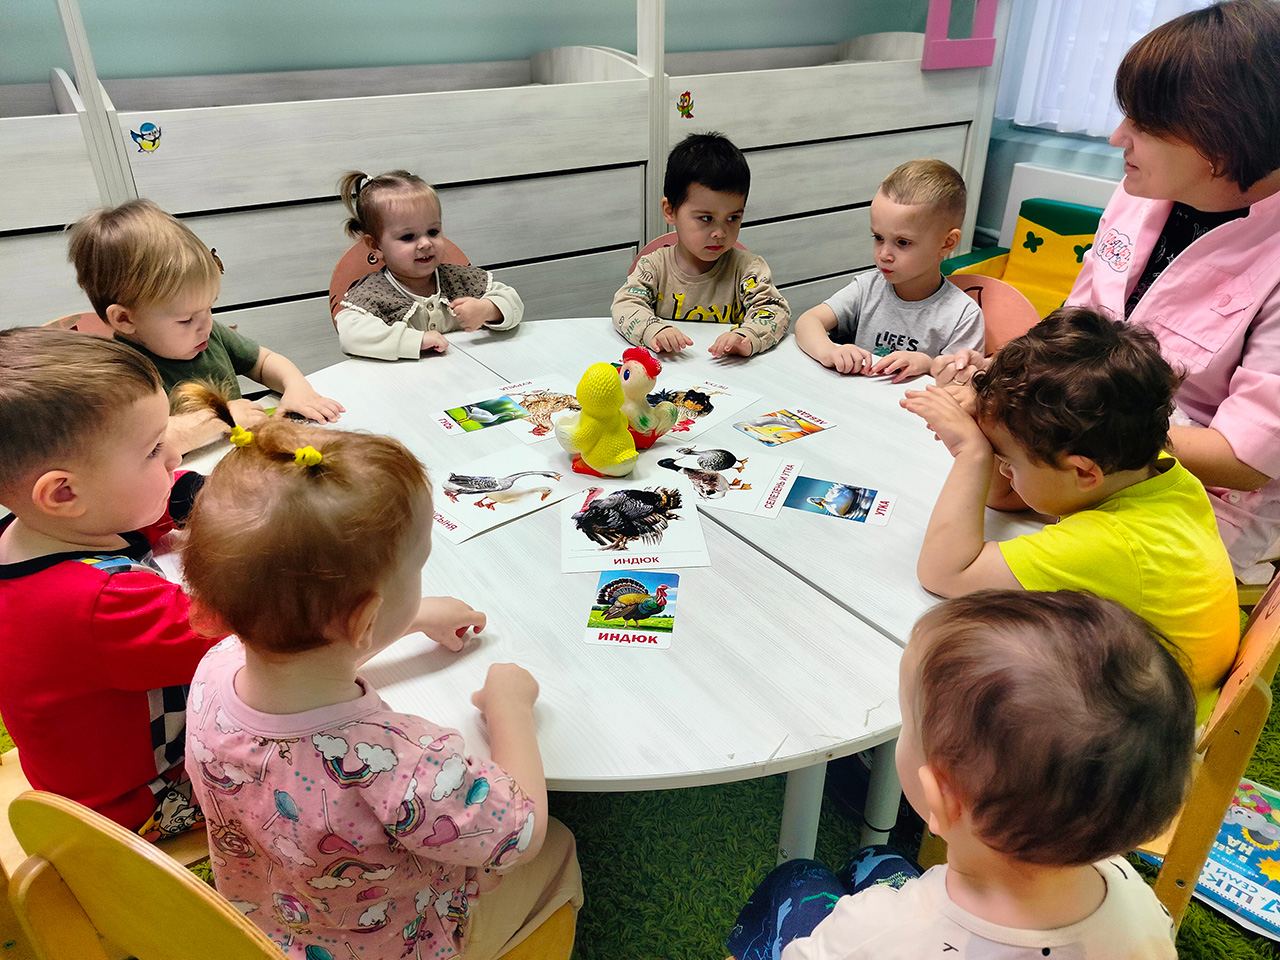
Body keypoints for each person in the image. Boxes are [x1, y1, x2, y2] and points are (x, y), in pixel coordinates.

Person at [181, 416, 581, 960]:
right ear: (364, 620)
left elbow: (302, 652)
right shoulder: (405, 766)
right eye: (418, 568)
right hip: (399, 944)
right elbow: (524, 829)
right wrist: (508, 704)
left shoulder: (213, 670)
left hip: (265, 925)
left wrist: (410, 618)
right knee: (560, 843)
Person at [939, 0, 1280, 582]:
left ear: (1221, 141)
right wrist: (1004, 376)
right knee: (982, 493)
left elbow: (1244, 460)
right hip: (1080, 450)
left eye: (1144, 126)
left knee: (983, 580)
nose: (1117, 136)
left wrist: (1052, 418)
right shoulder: (1138, 193)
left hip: (1203, 496)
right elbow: (1074, 327)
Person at [727, 589, 1194, 959]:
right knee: (876, 860)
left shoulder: (873, 933)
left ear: (941, 798)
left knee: (798, 876)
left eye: (907, 724)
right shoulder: (1139, 903)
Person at [904, 308, 1239, 722]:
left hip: (1137, 740)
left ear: (1083, 472)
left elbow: (945, 573)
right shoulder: (1160, 476)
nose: (1003, 472)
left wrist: (970, 454)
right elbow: (1004, 500)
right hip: (1159, 697)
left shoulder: (1112, 544)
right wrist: (994, 430)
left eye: (1009, 463)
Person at [0, 328, 222, 839]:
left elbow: (141, 512)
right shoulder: (105, 602)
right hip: (134, 804)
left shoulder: (36, 528)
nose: (174, 458)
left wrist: (213, 496)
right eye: (152, 450)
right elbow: (261, 633)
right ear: (63, 493)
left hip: (70, 776)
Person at [68, 199, 343, 453]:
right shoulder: (122, 374)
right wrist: (221, 416)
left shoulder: (206, 334)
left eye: (209, 308)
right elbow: (147, 447)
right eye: (186, 319)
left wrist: (295, 385)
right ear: (125, 320)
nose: (205, 325)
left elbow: (263, 362)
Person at [794, 159, 982, 381]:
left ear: (947, 243)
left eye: (902, 242)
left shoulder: (963, 315)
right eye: (878, 237)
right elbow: (807, 321)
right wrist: (830, 351)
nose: (884, 254)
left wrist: (927, 365)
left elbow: (963, 385)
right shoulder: (866, 288)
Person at [612, 132, 790, 358]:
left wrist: (747, 336)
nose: (720, 233)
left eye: (733, 218)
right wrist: (653, 330)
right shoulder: (653, 268)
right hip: (671, 367)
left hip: (728, 368)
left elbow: (775, 311)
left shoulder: (749, 269)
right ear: (670, 211)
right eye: (706, 218)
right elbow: (625, 304)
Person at [333, 169, 523, 360]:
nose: (425, 243)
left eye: (433, 232)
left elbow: (513, 301)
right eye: (408, 237)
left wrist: (487, 309)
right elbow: (351, 336)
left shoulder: (460, 280)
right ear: (376, 246)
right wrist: (416, 341)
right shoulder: (373, 293)